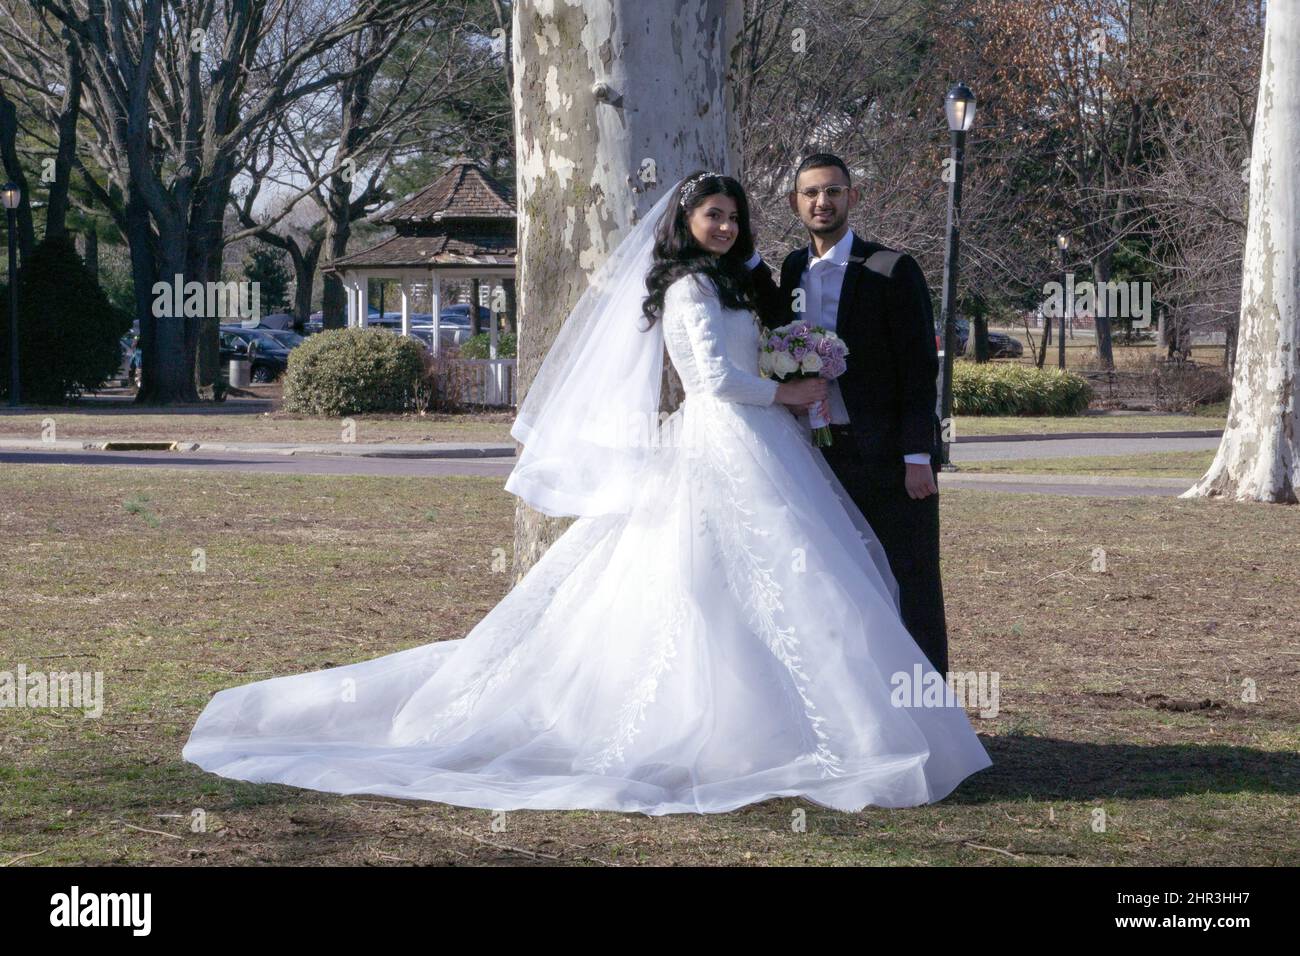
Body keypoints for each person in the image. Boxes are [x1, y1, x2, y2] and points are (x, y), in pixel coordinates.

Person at [182, 171, 991, 816]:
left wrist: (793, 371)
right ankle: (722, 732)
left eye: (732, 215)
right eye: (712, 215)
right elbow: (710, 379)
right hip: (726, 442)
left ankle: (811, 724)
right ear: (686, 222)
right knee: (710, 586)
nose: (725, 226)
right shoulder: (686, 289)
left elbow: (766, 356)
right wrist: (789, 392)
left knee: (799, 583)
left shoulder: (739, 283)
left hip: (768, 448)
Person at [749, 153, 951, 676]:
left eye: (833, 191)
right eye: (811, 192)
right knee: (838, 583)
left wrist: (917, 454)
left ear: (852, 197)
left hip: (886, 456)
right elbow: (776, 319)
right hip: (817, 453)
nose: (823, 201)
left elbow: (918, 368)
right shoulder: (794, 267)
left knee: (911, 581)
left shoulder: (892, 269)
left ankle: (930, 711)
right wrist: (742, 261)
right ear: (796, 202)